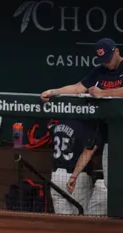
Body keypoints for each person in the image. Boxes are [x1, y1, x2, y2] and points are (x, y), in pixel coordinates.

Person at [40, 38, 123, 191]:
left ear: (117, 51)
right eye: (103, 60)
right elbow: (78, 88)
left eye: (109, 58)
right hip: (111, 139)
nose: (107, 63)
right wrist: (54, 92)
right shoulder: (100, 71)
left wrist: (103, 93)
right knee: (113, 185)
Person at [49, 119, 97, 215]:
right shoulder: (86, 125)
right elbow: (90, 149)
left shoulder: (59, 123)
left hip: (56, 176)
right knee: (81, 222)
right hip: (77, 177)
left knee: (63, 223)